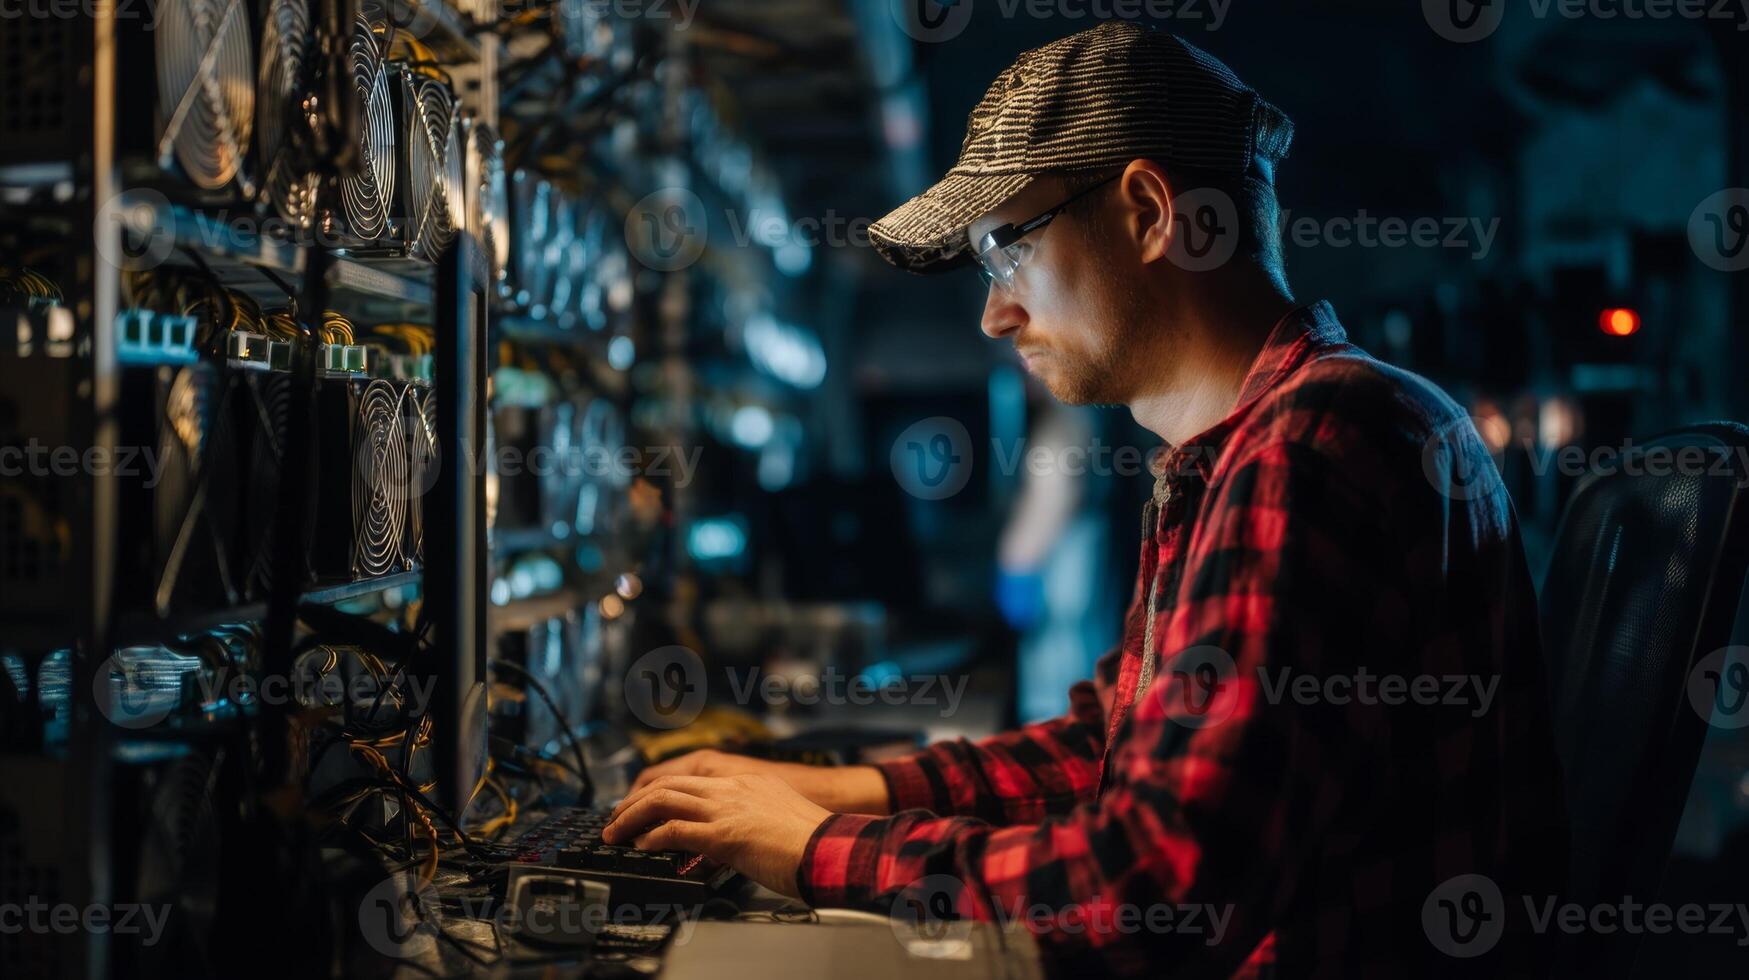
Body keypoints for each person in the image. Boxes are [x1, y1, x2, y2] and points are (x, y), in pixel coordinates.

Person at [605, 21, 1567, 977]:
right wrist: (823, 789)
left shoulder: (1311, 446)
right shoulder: (1249, 445)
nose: (995, 313)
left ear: (1149, 212)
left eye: (1006, 250)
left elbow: (1154, 888)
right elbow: (1104, 746)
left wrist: (814, 852)